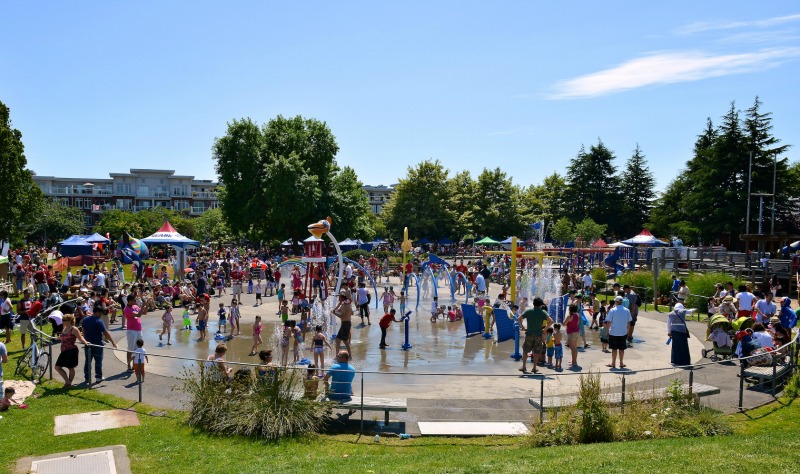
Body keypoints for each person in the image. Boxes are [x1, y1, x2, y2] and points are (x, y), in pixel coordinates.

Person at [81, 306, 117, 385]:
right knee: (98, 362)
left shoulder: (85, 320)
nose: (101, 315)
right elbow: (105, 333)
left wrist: (84, 339)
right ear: (97, 312)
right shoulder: (99, 321)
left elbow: (83, 330)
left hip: (88, 344)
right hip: (98, 344)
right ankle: (98, 377)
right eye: (100, 313)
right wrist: (113, 342)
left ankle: (87, 377)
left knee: (88, 361)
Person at [519, 297, 552, 374]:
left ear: (533, 303)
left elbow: (519, 318)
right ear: (541, 304)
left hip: (529, 333)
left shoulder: (528, 311)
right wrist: (544, 330)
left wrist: (523, 327)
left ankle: (524, 367)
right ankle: (534, 367)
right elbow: (551, 321)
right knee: (536, 351)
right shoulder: (543, 312)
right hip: (538, 334)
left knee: (525, 350)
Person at [55, 314, 88, 388]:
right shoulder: (64, 328)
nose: (62, 322)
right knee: (57, 367)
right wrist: (59, 338)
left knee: (70, 367)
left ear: (70, 321)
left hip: (71, 351)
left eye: (64, 320)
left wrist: (86, 343)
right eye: (62, 320)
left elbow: (80, 338)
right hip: (64, 350)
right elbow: (64, 337)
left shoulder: (74, 329)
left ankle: (69, 383)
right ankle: (67, 381)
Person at [606, 295, 632, 369]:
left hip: (613, 332)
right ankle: (621, 363)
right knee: (622, 349)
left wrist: (607, 331)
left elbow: (609, 322)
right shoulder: (627, 310)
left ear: (616, 302)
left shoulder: (612, 310)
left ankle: (613, 363)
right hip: (623, 332)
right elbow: (629, 323)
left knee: (614, 349)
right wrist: (627, 332)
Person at [123, 295, 144, 371]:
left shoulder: (135, 306)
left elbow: (144, 312)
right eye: (133, 300)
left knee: (138, 348)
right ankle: (128, 365)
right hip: (131, 330)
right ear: (129, 301)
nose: (135, 302)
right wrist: (143, 305)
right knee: (130, 348)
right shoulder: (126, 309)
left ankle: (134, 364)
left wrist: (146, 304)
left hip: (139, 329)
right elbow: (139, 314)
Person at [333, 290, 353, 355]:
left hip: (345, 324)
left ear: (342, 297)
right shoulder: (346, 304)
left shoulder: (344, 305)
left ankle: (338, 356)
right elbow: (351, 313)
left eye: (339, 297)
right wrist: (337, 306)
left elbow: (342, 316)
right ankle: (346, 356)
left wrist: (335, 313)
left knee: (341, 340)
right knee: (341, 340)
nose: (338, 298)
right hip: (347, 323)